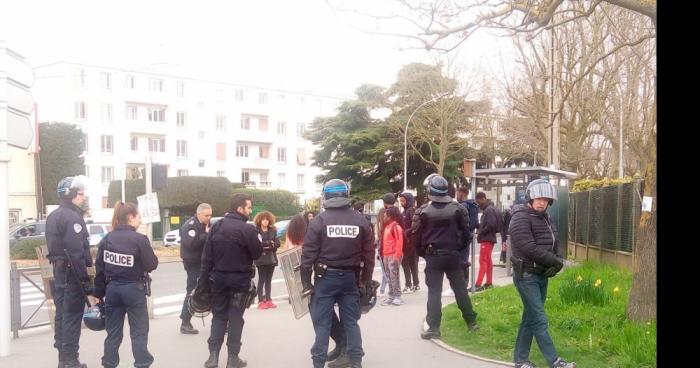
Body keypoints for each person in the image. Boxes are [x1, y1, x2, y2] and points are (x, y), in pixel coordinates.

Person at [301, 179, 375, 368]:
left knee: (323, 323)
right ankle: (356, 361)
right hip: (351, 278)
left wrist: (306, 283)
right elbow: (369, 256)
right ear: (346, 194)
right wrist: (365, 280)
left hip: (325, 279)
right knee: (351, 322)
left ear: (326, 196)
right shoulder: (360, 219)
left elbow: (308, 256)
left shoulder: (320, 220)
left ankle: (318, 362)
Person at [510, 179, 576, 368]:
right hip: (526, 276)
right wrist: (553, 260)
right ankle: (555, 362)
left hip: (541, 275)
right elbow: (528, 247)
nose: (542, 202)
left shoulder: (546, 217)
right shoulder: (520, 217)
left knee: (530, 318)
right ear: (530, 197)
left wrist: (558, 259)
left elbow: (555, 241)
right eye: (539, 198)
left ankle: (520, 360)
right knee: (539, 319)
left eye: (546, 200)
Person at [412, 174, 479, 339]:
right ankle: (471, 322)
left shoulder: (422, 211)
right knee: (461, 290)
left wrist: (425, 253)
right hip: (453, 255)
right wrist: (458, 248)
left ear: (430, 190)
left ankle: (434, 328)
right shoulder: (458, 208)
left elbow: (415, 238)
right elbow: (466, 233)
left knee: (434, 292)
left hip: (433, 256)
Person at [200, 193, 263, 368]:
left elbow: (207, 258)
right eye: (249, 207)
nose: (250, 211)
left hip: (218, 280)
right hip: (240, 281)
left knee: (219, 317)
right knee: (236, 319)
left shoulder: (216, 226)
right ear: (240, 208)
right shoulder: (248, 230)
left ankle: (213, 357)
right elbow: (257, 253)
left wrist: (202, 284)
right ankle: (232, 358)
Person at [94, 202, 159, 368]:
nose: (140, 220)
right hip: (133, 290)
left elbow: (99, 268)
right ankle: (142, 363)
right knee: (138, 331)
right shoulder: (139, 239)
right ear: (131, 217)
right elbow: (152, 264)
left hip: (112, 290)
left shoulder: (107, 238)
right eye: (139, 217)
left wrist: (98, 294)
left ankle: (109, 363)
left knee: (113, 332)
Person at [45, 175, 91, 368]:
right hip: (71, 274)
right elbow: (76, 252)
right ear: (70, 195)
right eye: (80, 194)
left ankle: (62, 360)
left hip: (59, 272)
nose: (83, 197)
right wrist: (85, 280)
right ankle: (71, 361)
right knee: (72, 316)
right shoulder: (73, 217)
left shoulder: (54, 215)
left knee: (62, 315)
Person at [179, 203, 213, 334]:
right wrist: (206, 235)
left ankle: (221, 320)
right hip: (194, 264)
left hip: (205, 262)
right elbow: (190, 244)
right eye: (206, 215)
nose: (209, 218)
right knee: (193, 291)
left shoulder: (206, 225)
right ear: (199, 214)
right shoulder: (190, 225)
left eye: (210, 215)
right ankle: (185, 322)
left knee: (212, 289)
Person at [253, 211, 281, 310]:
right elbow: (258, 244)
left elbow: (278, 243)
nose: (265, 221)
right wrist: (270, 243)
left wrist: (269, 245)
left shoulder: (273, 230)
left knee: (268, 280)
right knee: (261, 280)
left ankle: (268, 300)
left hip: (271, 258)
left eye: (267, 220)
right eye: (263, 219)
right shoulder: (256, 231)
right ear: (260, 220)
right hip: (261, 259)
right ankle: (260, 301)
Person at [380, 206, 404, 306]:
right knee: (389, 276)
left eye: (385, 215)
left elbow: (399, 242)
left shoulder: (396, 227)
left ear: (390, 216)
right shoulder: (387, 227)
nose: (383, 217)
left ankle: (397, 295)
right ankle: (391, 295)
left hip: (393, 255)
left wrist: (396, 256)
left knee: (394, 276)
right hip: (386, 255)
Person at [474, 192, 499, 291]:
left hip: (486, 238)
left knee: (483, 261)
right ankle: (488, 283)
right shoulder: (490, 209)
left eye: (479, 202)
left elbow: (491, 225)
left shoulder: (488, 210)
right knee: (488, 261)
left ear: (484, 199)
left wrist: (480, 231)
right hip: (489, 238)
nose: (478, 204)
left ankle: (478, 284)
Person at [456, 187, 479, 289]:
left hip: (461, 236)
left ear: (462, 194)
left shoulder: (463, 205)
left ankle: (461, 286)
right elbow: (475, 222)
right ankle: (464, 285)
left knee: (460, 261)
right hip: (468, 235)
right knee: (464, 260)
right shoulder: (473, 205)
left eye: (457, 194)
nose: (456, 196)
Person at [398, 192, 419, 293]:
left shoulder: (411, 211)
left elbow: (415, 226)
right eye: (400, 201)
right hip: (406, 241)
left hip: (410, 241)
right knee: (411, 263)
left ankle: (410, 284)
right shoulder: (404, 211)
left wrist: (406, 232)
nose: (401, 203)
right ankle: (414, 284)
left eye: (403, 201)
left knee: (408, 263)